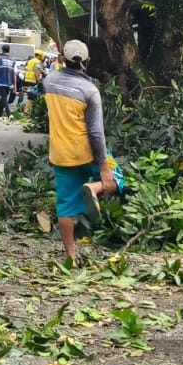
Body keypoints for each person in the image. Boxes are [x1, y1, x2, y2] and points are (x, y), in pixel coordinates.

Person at [43, 39, 120, 265]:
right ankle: (94, 188)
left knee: (65, 206)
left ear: (62, 59)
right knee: (118, 178)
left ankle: (70, 256)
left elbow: (50, 81)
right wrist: (103, 166)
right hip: (86, 151)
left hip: (60, 154)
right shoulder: (89, 90)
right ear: (87, 61)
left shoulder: (49, 82)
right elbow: (96, 133)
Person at [0, 44, 18, 118]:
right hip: (9, 83)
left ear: (2, 50)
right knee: (4, 97)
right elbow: (14, 74)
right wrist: (15, 85)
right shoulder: (13, 61)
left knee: (4, 98)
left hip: (1, 81)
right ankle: (0, 114)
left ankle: (8, 114)